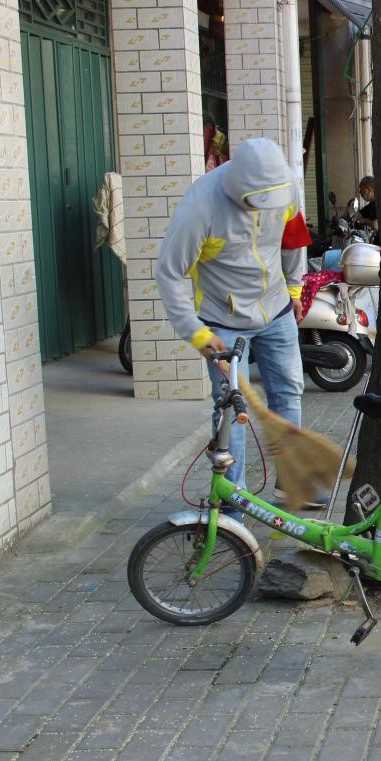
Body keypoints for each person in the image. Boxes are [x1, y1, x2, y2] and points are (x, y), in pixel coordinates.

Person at [156, 138, 318, 507]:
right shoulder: (200, 208)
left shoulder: (286, 185)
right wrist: (197, 333)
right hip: (222, 320)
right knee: (233, 407)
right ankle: (235, 501)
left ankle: (290, 483)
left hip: (275, 309)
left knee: (289, 392)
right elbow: (170, 273)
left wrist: (294, 290)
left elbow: (293, 241)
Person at [355, 175, 378, 242]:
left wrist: (365, 221)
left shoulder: (380, 204)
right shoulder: (371, 204)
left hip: (380, 245)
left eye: (361, 189)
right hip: (371, 241)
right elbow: (359, 214)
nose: (360, 192)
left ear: (369, 189)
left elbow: (376, 225)